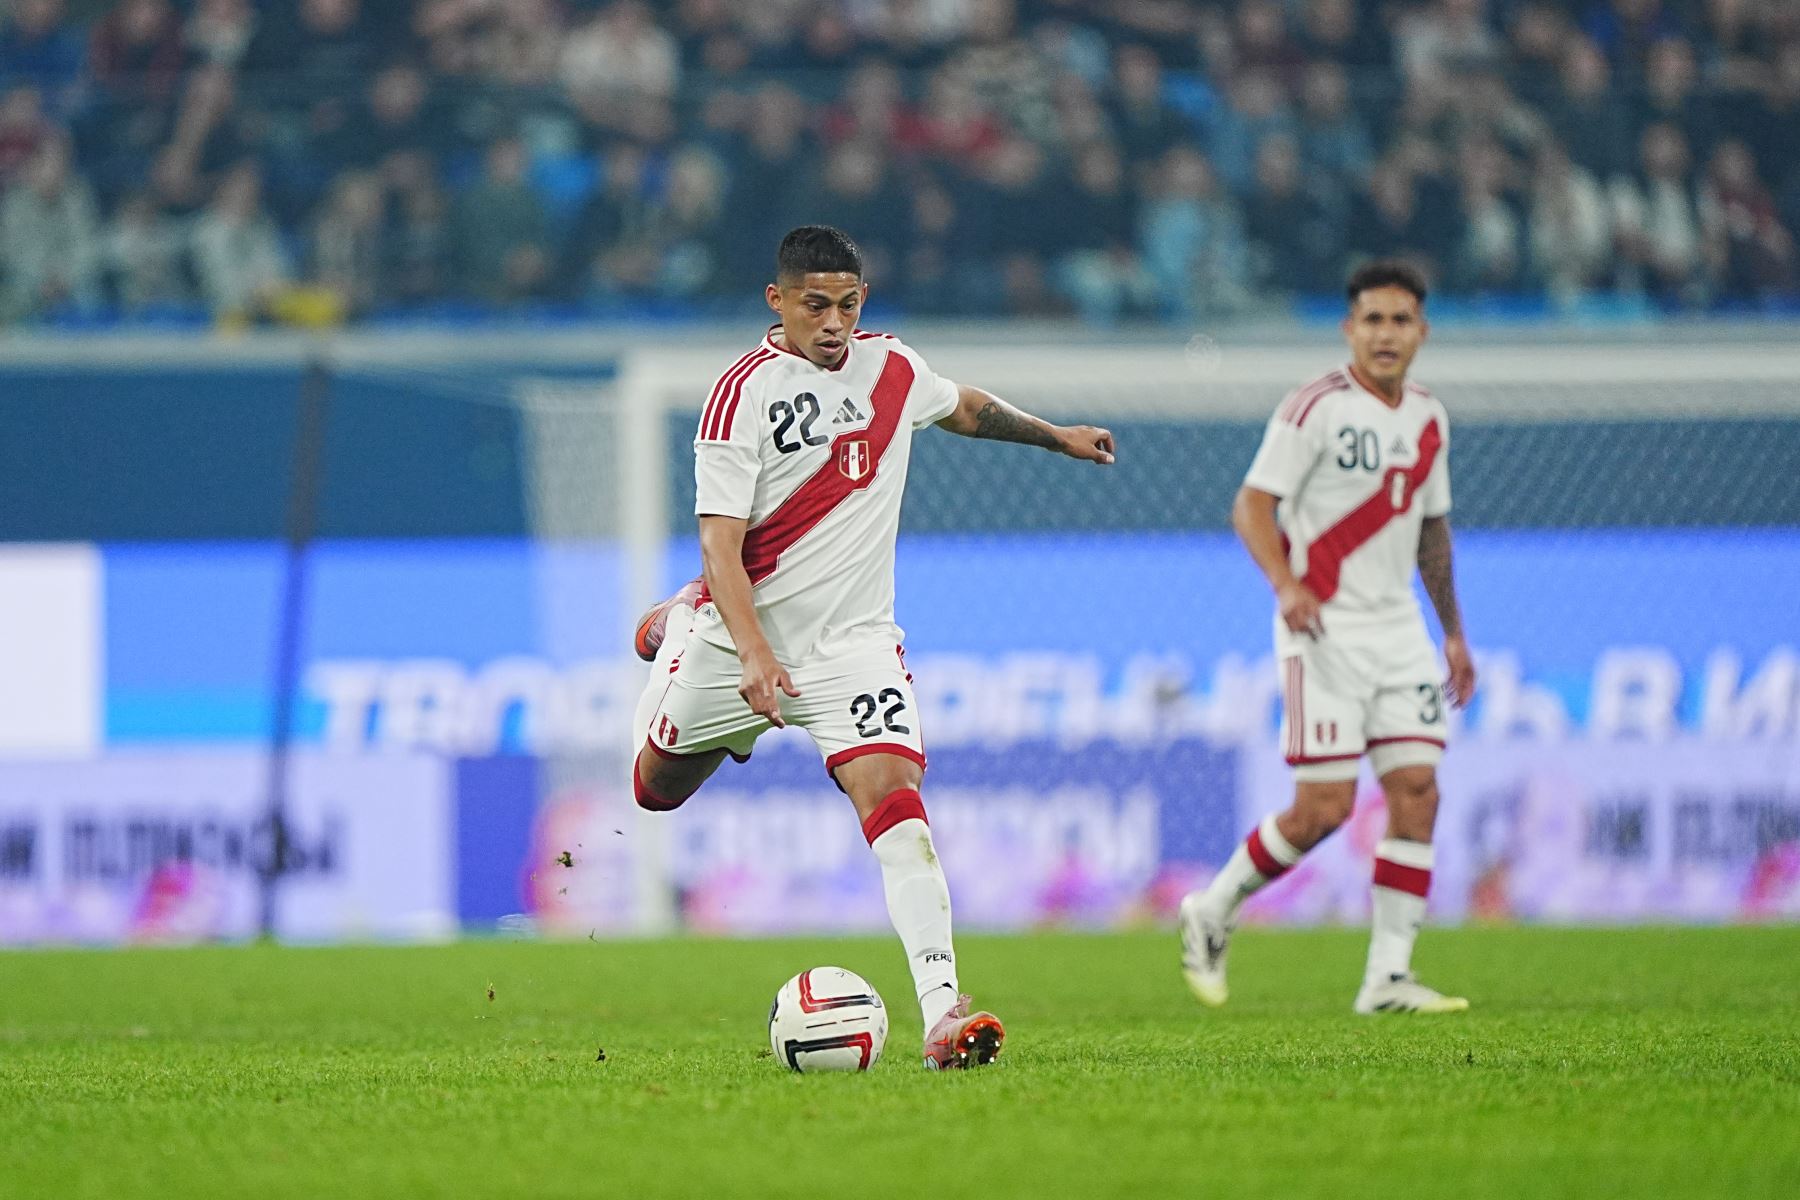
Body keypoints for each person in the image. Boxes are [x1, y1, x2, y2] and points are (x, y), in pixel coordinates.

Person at [630, 225, 1116, 1067]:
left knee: (896, 806)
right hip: (735, 633)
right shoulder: (739, 395)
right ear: (776, 301)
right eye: (815, 304)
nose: (833, 322)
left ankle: (943, 1013)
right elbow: (720, 542)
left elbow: (964, 407)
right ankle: (674, 623)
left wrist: (1056, 437)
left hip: (854, 647)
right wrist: (749, 653)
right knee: (656, 787)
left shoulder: (890, 367)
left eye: (848, 304)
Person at [1179, 260, 1476, 1015]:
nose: (1385, 334)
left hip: (1401, 631)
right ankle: (1212, 908)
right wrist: (1286, 585)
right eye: (1371, 319)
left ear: (1422, 332)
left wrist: (1454, 633)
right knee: (1324, 810)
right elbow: (1250, 507)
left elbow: (1431, 533)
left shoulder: (1430, 418)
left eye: (1400, 320)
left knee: (1418, 791)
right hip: (1323, 632)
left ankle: (1388, 979)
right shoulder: (1314, 408)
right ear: (1349, 329)